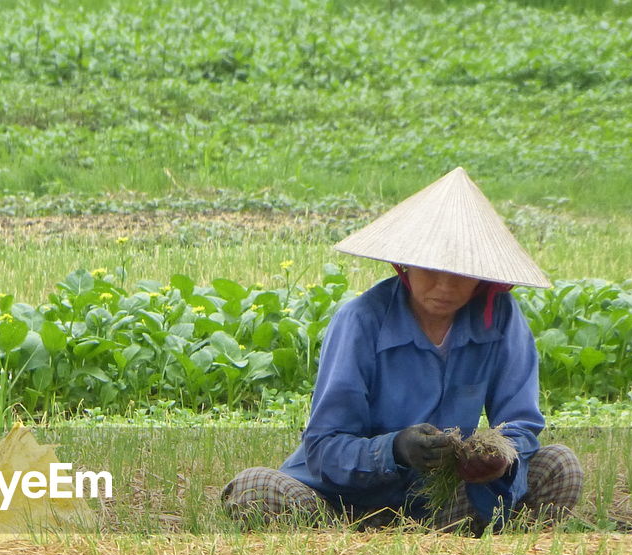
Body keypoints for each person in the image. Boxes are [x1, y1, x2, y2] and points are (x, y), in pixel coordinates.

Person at [222, 167, 583, 534]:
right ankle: (349, 550)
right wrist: (394, 449)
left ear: (481, 274)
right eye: (431, 270)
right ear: (406, 265)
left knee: (560, 466)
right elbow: (323, 446)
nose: (444, 286)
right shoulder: (360, 320)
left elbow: (521, 425)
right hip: (340, 504)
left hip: (442, 502)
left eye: (460, 273)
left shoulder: (500, 318)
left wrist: (498, 458)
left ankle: (461, 550)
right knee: (256, 488)